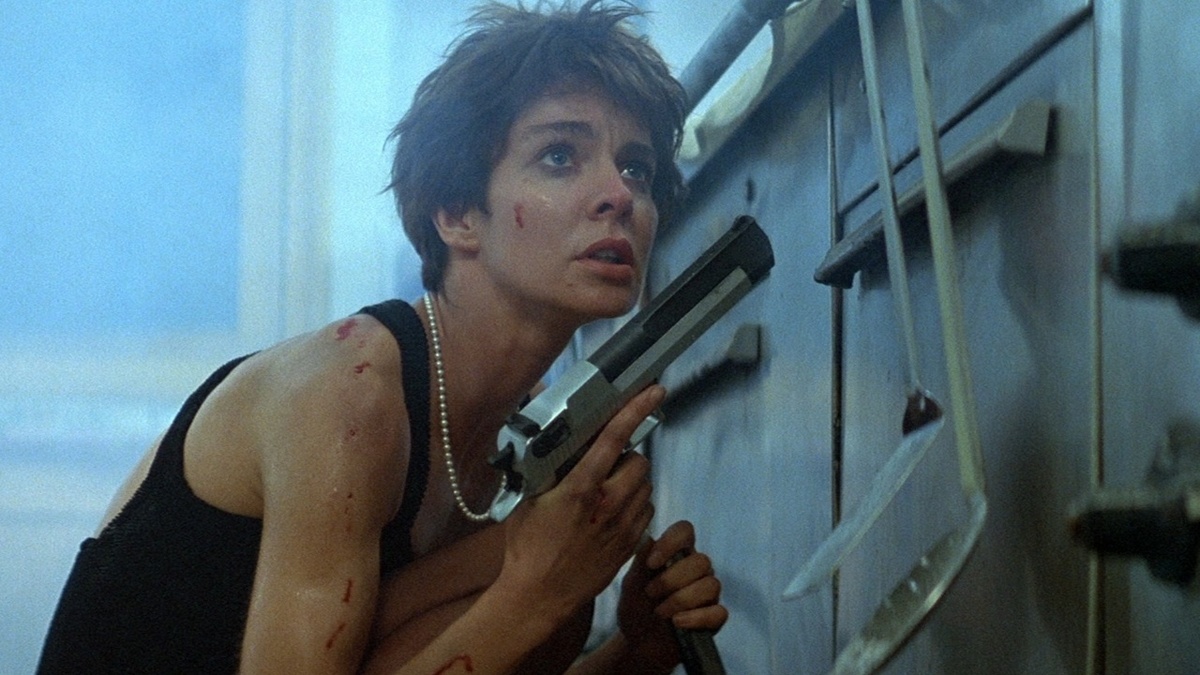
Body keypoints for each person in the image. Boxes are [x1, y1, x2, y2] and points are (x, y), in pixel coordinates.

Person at [38, 1, 727, 673]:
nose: (619, 195)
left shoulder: (528, 431)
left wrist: (632, 655)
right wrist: (536, 593)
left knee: (554, 612)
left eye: (636, 167)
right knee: (542, 596)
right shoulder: (350, 386)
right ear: (457, 212)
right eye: (559, 155)